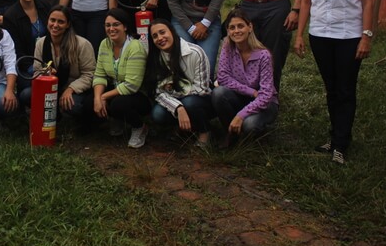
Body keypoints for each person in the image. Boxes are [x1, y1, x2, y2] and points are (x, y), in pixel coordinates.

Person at [294, 0, 378, 165]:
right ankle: (335, 136)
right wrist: (299, 34)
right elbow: (306, 0)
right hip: (320, 35)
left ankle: (341, 143)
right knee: (331, 88)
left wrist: (366, 36)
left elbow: (368, 0)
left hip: (349, 36)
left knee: (345, 88)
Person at [211, 9, 279, 146]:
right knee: (218, 93)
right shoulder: (227, 48)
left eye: (240, 26)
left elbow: (266, 95)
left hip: (264, 103)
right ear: (228, 31)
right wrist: (251, 91)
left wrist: (240, 116)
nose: (236, 31)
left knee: (250, 124)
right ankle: (230, 133)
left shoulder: (263, 55)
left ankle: (257, 134)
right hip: (242, 97)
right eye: (232, 27)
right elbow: (223, 78)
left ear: (250, 27)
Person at [23, 5, 96, 130]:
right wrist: (45, 74)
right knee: (26, 95)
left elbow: (90, 74)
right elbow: (36, 71)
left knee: (74, 106)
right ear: (48, 21)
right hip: (50, 87)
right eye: (52, 20)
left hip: (75, 88)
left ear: (68, 24)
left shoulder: (82, 44)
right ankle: (54, 115)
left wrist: (71, 89)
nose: (55, 25)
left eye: (61, 22)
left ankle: (79, 120)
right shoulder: (41, 43)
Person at [146, 19, 214, 149]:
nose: (160, 38)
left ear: (172, 32)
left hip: (200, 100)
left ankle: (205, 131)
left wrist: (176, 95)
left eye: (162, 32)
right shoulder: (155, 59)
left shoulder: (195, 52)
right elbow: (158, 93)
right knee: (157, 114)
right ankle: (183, 128)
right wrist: (178, 107)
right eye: (155, 36)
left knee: (190, 103)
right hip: (176, 101)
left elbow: (202, 89)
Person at [92, 8, 149, 148]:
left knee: (118, 104)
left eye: (116, 24)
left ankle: (139, 127)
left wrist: (103, 97)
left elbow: (131, 85)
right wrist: (97, 98)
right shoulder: (104, 44)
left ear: (125, 26)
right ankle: (117, 120)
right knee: (89, 101)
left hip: (138, 95)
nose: (111, 28)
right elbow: (99, 74)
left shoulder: (135, 47)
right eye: (108, 25)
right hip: (116, 89)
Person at [2, 0, 51, 95]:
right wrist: (35, 70)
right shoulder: (10, 16)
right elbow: (16, 51)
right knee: (29, 93)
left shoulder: (45, 7)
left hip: (49, 64)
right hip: (25, 67)